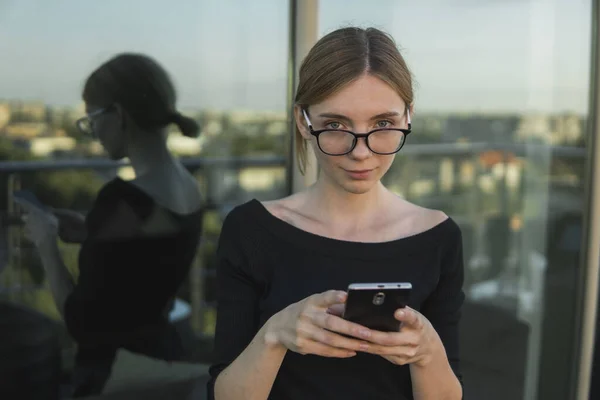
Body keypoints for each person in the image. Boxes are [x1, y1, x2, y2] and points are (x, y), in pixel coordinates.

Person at [207, 27, 464, 400]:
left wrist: (427, 352)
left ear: (408, 117)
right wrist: (276, 334)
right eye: (335, 125)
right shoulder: (251, 231)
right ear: (302, 122)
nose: (360, 152)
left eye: (382, 124)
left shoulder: (438, 237)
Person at [19, 53, 205, 397]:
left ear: (118, 115)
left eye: (92, 119)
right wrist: (93, 233)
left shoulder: (121, 200)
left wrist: (47, 243)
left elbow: (79, 322)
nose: (93, 132)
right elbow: (146, 257)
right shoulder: (187, 184)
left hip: (114, 379)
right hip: (161, 364)